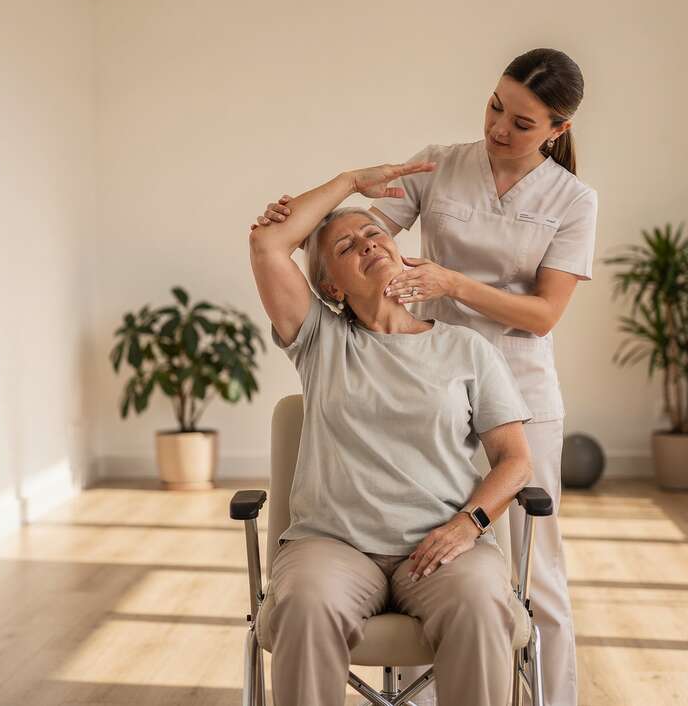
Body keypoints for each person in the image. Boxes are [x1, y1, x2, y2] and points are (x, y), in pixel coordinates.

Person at [255, 48, 595, 706]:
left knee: (527, 581)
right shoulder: (440, 168)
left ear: (557, 130)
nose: (499, 126)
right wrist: (339, 190)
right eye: (496, 106)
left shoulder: (573, 201)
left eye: (522, 122)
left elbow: (545, 314)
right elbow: (341, 237)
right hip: (410, 366)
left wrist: (449, 283)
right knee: (415, 580)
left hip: (505, 377)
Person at [247, 160, 539, 706]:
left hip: (442, 543)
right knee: (304, 604)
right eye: (346, 247)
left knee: (481, 603)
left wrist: (468, 524)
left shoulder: (466, 348)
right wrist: (352, 183)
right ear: (331, 285)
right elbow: (267, 245)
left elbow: (515, 461)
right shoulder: (319, 339)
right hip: (333, 544)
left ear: (400, 247)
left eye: (374, 233)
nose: (366, 244)